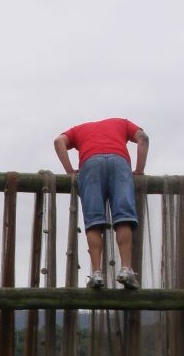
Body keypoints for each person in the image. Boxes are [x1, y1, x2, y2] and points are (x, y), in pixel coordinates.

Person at [54, 117, 149, 290]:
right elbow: (143, 138)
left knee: (94, 221)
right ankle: (126, 269)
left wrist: (69, 171)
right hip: (119, 163)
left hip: (89, 164)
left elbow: (58, 141)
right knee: (123, 217)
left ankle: (97, 273)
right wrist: (139, 169)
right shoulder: (122, 123)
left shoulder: (78, 129)